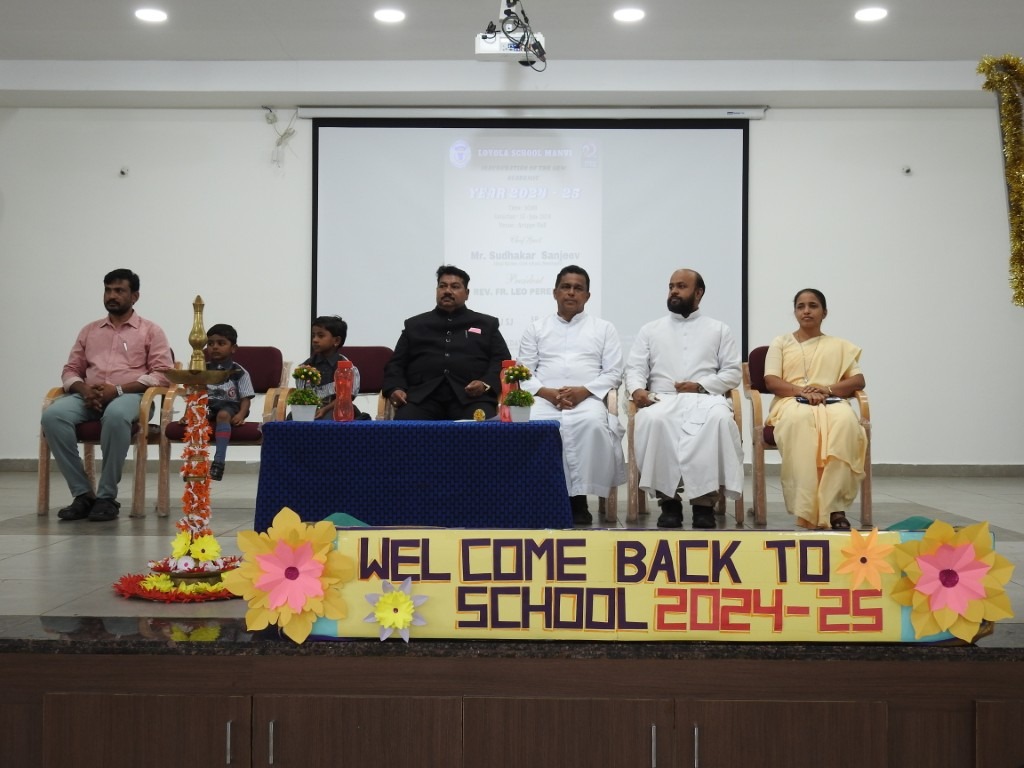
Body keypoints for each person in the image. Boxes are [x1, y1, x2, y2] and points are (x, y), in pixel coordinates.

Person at [41, 268, 173, 522]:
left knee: (115, 415)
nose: (112, 296)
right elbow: (71, 369)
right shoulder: (89, 331)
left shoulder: (150, 331)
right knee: (52, 416)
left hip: (133, 398)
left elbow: (162, 374)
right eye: (108, 290)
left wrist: (118, 390)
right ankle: (83, 495)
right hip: (88, 397)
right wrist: (84, 389)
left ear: (134, 296)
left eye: (119, 291)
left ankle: (106, 497)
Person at [624, 268, 743, 529]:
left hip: (706, 398)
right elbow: (634, 369)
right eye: (671, 286)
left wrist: (700, 386)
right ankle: (669, 503)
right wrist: (637, 390)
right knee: (653, 420)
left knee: (720, 420)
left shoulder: (719, 329)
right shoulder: (650, 329)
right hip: (662, 399)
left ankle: (704, 504)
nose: (674, 291)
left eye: (681, 286)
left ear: (698, 293)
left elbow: (732, 373)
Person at [517, 265, 626, 525]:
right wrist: (547, 392)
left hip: (587, 398)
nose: (571, 292)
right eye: (565, 287)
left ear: (587, 296)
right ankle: (541, 498)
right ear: (555, 292)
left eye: (578, 288)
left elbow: (613, 372)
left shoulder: (604, 328)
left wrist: (583, 391)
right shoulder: (536, 328)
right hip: (544, 398)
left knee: (591, 424)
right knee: (535, 426)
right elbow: (523, 372)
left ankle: (578, 500)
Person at [762, 288, 867, 530]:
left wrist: (827, 389)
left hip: (831, 401)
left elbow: (858, 381)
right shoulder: (781, 343)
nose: (806, 311)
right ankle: (807, 508)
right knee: (800, 421)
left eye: (813, 306)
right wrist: (802, 391)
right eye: (801, 306)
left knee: (845, 422)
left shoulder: (839, 345)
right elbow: (771, 381)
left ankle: (835, 508)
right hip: (791, 401)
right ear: (795, 312)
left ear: (824, 312)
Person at [383, 265, 511, 420]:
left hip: (471, 399)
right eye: (442, 286)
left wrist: (485, 384)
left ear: (467, 293)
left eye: (455, 287)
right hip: (422, 399)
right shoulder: (415, 325)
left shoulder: (486, 324)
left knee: (481, 428)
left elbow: (502, 361)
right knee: (405, 425)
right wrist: (395, 388)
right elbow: (396, 364)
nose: (447, 291)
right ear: (437, 290)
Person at [203, 324, 255, 481]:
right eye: (210, 343)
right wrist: (188, 414)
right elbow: (194, 395)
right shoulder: (202, 370)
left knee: (223, 415)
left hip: (230, 406)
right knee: (196, 417)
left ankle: (218, 462)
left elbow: (245, 398)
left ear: (233, 348)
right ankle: (195, 463)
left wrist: (241, 414)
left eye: (221, 343)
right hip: (208, 405)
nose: (215, 347)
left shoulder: (239, 372)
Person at [295, 315, 364, 420]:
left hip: (337, 409)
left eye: (320, 336)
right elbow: (302, 393)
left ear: (336, 341)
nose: (315, 340)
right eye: (313, 336)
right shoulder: (305, 367)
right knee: (292, 417)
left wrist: (324, 409)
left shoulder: (347, 368)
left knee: (328, 418)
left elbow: (348, 397)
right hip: (310, 409)